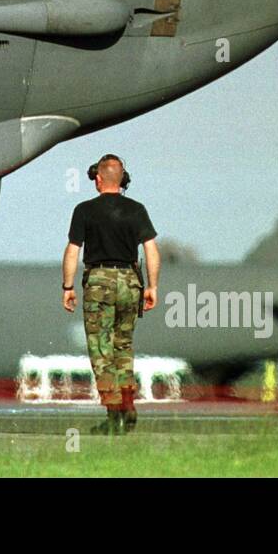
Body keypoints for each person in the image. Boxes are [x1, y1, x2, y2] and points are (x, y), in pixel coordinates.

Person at [61, 154, 160, 435]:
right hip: (130, 282)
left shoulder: (84, 210)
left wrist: (67, 287)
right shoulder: (137, 209)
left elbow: (73, 251)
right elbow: (151, 250)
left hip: (99, 282)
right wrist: (152, 286)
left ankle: (114, 413)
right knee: (123, 347)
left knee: (101, 349)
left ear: (98, 178)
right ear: (122, 180)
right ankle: (127, 407)